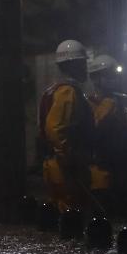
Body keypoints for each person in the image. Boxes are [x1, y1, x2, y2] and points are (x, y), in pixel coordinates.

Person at [38, 39, 94, 212]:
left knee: (63, 218)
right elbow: (56, 129)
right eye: (82, 63)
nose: (86, 68)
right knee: (72, 215)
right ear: (72, 65)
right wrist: (68, 158)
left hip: (57, 164)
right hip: (65, 167)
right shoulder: (67, 92)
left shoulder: (53, 90)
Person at [86, 54, 127, 216]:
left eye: (114, 75)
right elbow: (94, 129)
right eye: (108, 75)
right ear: (96, 78)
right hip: (100, 174)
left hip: (121, 174)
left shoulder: (121, 105)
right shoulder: (89, 104)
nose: (113, 79)